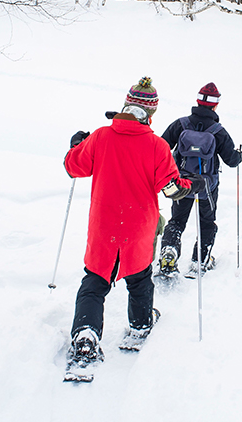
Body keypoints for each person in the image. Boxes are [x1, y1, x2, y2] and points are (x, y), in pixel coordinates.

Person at [63, 77, 198, 381]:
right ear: (150, 113)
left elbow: (74, 167)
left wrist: (76, 146)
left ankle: (85, 335)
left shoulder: (99, 137)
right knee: (139, 279)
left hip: (104, 225)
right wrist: (190, 184)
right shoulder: (157, 146)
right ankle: (139, 325)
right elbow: (172, 190)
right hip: (138, 227)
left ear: (126, 105)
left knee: (95, 281)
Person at [158, 82, 242, 277]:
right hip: (207, 186)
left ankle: (169, 252)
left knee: (177, 221)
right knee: (207, 222)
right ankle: (199, 261)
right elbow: (231, 161)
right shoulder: (218, 130)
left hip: (181, 184)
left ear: (197, 101)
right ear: (215, 105)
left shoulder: (181, 124)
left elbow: (161, 148)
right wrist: (238, 155)